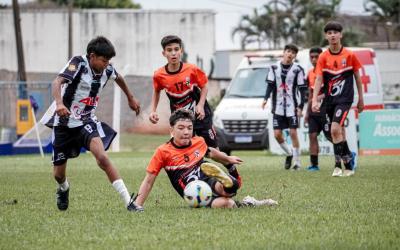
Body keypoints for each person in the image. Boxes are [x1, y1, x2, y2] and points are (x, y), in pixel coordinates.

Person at [41, 36, 141, 211]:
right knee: (58, 175)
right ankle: (64, 188)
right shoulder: (78, 63)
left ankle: (129, 202)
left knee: (102, 157)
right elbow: (57, 82)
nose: (107, 64)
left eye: (109, 60)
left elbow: (119, 78)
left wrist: (130, 98)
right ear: (92, 56)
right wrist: (59, 104)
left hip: (86, 121)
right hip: (64, 124)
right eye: (104, 60)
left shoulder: (107, 69)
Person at [127, 109, 277, 211]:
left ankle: (229, 178)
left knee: (228, 188)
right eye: (181, 128)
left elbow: (211, 153)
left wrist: (227, 159)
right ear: (171, 130)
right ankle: (248, 201)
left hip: (207, 176)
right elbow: (148, 180)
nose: (186, 132)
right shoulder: (162, 151)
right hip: (193, 191)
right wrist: (137, 205)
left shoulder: (198, 141)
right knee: (228, 203)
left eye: (189, 128)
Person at [312, 21, 363, 177]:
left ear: (341, 35)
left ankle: (337, 166)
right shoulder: (323, 57)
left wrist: (361, 99)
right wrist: (315, 100)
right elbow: (319, 79)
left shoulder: (350, 55)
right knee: (336, 133)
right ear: (326, 36)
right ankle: (348, 164)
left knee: (335, 129)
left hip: (345, 100)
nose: (332, 35)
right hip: (329, 100)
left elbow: (358, 78)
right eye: (329, 33)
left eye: (335, 32)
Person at [149, 35, 217, 148]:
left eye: (176, 49)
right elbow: (157, 91)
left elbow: (204, 86)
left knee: (212, 149)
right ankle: (195, 165)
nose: (173, 53)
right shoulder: (159, 75)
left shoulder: (192, 69)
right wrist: (153, 111)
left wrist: (200, 105)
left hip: (200, 115)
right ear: (164, 53)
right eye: (169, 50)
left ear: (181, 51)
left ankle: (230, 165)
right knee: (182, 147)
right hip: (180, 118)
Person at [261, 44, 307, 170]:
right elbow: (270, 85)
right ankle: (289, 153)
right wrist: (265, 99)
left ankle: (297, 162)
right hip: (278, 107)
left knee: (293, 133)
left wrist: (301, 106)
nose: (290, 54)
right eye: (288, 51)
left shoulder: (298, 69)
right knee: (277, 134)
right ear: (284, 52)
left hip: (292, 107)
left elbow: (303, 89)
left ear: (295, 56)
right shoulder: (274, 67)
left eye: (293, 52)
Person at [304, 47, 333, 171]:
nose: (314, 59)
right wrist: (307, 112)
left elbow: (332, 90)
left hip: (326, 110)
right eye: (312, 57)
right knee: (312, 135)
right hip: (313, 111)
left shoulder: (328, 72)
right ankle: (314, 164)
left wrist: (320, 96)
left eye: (317, 56)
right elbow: (311, 94)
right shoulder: (310, 73)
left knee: (331, 136)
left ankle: (347, 156)